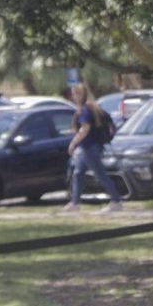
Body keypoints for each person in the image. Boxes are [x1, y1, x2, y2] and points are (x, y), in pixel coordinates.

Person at [63, 82, 122, 214]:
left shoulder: (85, 109)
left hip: (90, 148)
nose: (73, 97)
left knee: (100, 173)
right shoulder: (92, 108)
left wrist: (73, 142)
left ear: (80, 95)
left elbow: (85, 129)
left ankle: (116, 201)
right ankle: (75, 203)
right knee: (78, 173)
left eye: (74, 94)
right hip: (88, 147)